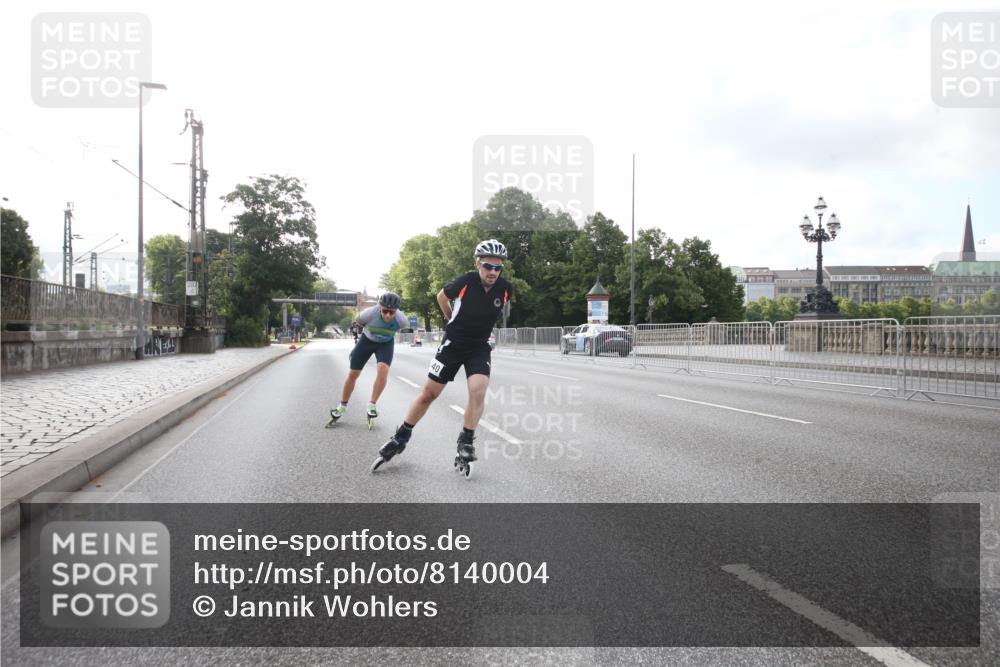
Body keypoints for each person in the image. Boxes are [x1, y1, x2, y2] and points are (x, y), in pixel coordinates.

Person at [373, 239, 513, 475]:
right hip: (453, 345)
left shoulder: (506, 289)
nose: (493, 272)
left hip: (478, 347)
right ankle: (401, 437)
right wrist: (451, 320)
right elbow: (441, 296)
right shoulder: (466, 281)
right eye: (488, 266)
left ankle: (466, 440)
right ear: (478, 263)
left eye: (498, 268)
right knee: (429, 394)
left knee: (478, 390)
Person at [328, 292, 409, 425]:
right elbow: (357, 323)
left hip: (385, 343)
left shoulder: (402, 320)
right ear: (379, 308)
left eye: (392, 312)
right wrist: (357, 339)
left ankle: (372, 404)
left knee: (383, 369)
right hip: (367, 341)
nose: (388, 315)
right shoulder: (369, 314)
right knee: (353, 373)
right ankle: (342, 406)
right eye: (385, 311)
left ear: (396, 311)